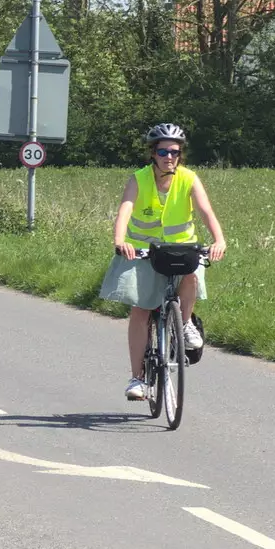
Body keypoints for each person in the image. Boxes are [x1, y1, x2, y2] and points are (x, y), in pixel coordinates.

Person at [111, 123, 227, 402]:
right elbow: (125, 209)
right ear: (153, 153)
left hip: (179, 248)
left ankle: (184, 324)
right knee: (141, 310)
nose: (169, 156)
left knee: (191, 275)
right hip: (142, 251)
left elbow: (205, 210)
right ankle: (137, 378)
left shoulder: (188, 178)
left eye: (174, 152)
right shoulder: (139, 179)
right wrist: (120, 239)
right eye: (163, 151)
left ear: (180, 155)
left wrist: (219, 240)